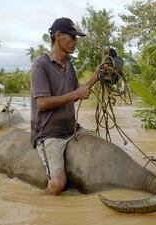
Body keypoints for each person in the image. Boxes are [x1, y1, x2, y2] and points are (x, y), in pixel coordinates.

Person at [30, 17, 100, 195]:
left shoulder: (69, 65)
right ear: (58, 36)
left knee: (101, 145)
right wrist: (75, 94)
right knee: (58, 183)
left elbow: (76, 93)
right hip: (50, 133)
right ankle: (44, 209)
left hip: (71, 128)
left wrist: (97, 75)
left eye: (76, 38)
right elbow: (42, 103)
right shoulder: (41, 65)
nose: (75, 42)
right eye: (72, 37)